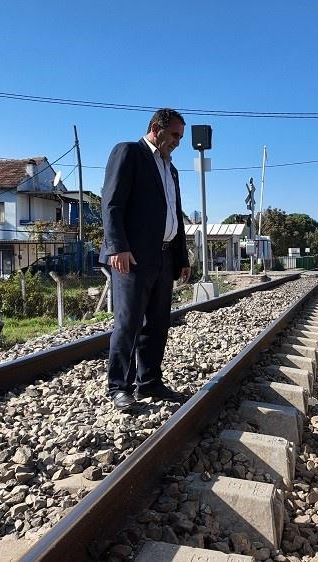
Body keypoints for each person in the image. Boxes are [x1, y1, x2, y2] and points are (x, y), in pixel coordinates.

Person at [100, 108, 191, 410]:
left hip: (164, 257)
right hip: (132, 257)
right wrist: (117, 247)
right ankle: (119, 387)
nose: (178, 141)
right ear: (156, 128)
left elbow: (174, 214)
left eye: (181, 136)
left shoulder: (171, 169)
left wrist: (182, 257)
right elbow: (112, 204)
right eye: (174, 134)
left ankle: (149, 381)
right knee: (128, 323)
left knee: (158, 324)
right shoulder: (129, 152)